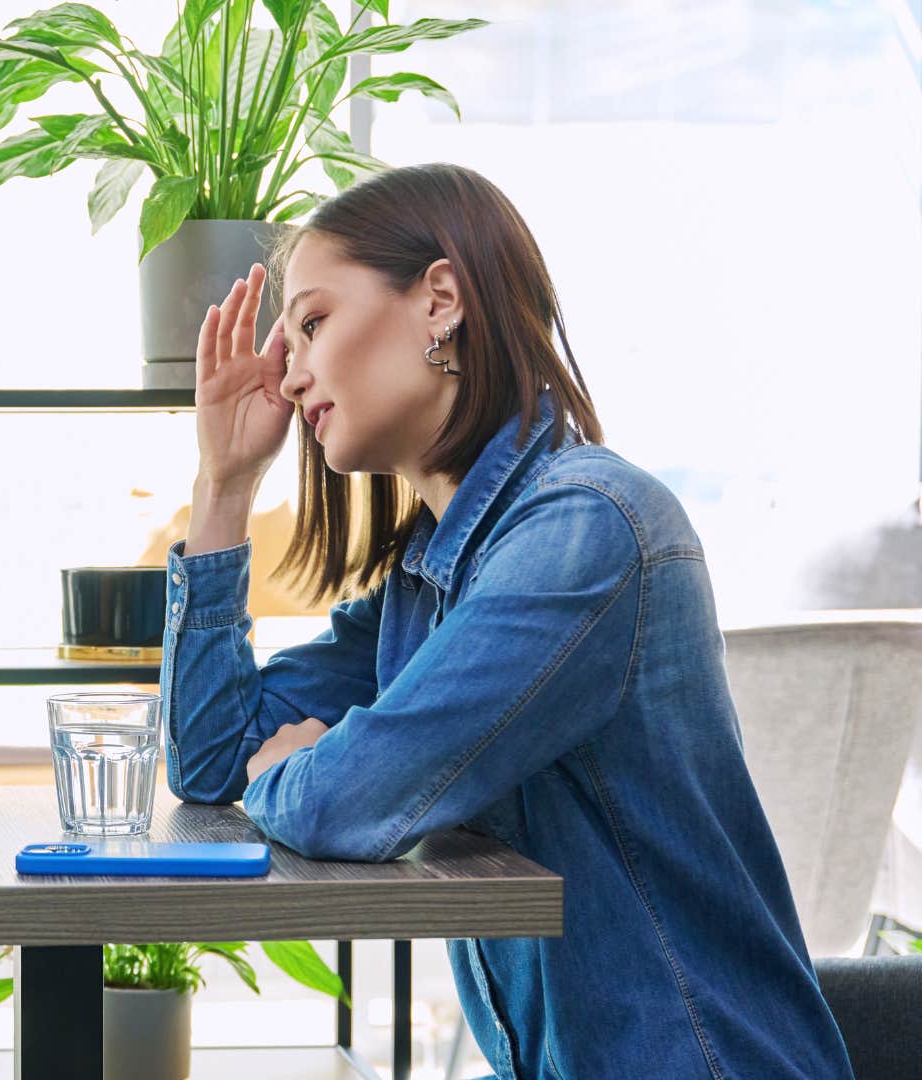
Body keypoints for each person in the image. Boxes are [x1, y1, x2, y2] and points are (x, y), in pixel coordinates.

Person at [162, 162, 851, 1077]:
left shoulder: (587, 531)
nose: (289, 378)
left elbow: (342, 801)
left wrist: (296, 768)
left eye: (314, 322)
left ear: (440, 298)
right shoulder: (429, 580)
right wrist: (224, 486)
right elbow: (211, 761)